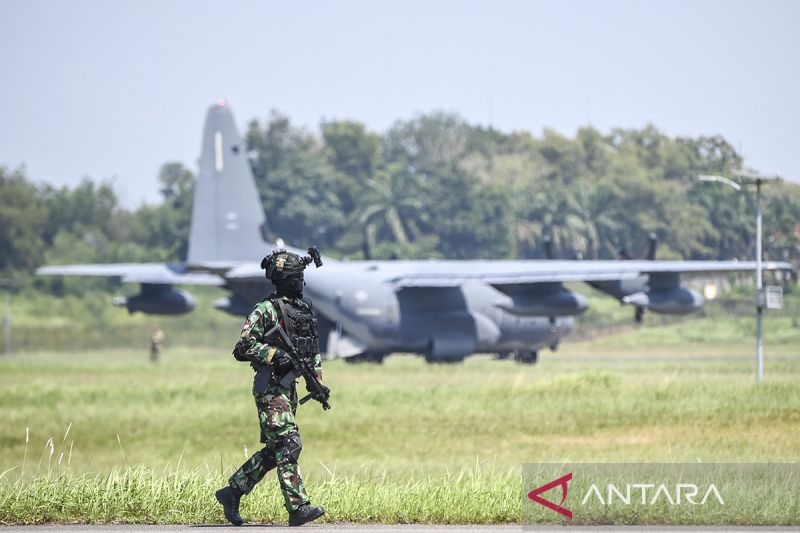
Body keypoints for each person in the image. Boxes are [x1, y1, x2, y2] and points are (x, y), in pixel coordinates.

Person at [215, 248, 327, 527]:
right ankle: (298, 508)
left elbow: (311, 350)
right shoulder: (265, 310)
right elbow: (243, 346)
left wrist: (318, 384)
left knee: (277, 450)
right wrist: (275, 355)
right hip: (270, 388)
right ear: (286, 279)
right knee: (290, 443)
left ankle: (232, 491)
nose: (301, 282)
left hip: (289, 389)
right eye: (297, 277)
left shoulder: (303, 309)